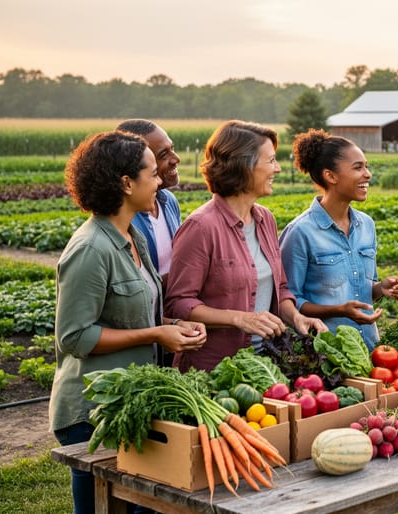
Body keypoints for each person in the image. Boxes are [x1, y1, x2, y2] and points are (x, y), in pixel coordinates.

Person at [49, 131, 206, 514]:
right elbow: (74, 336)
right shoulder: (91, 249)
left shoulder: (131, 235)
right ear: (126, 183)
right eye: (151, 173)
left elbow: (137, 309)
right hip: (92, 410)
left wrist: (172, 324)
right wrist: (155, 333)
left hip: (127, 400)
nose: (159, 181)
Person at [164, 120, 327, 373]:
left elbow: (280, 289)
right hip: (214, 370)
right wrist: (239, 318)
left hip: (265, 363)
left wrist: (297, 318)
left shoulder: (265, 220)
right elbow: (179, 302)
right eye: (271, 160)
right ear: (244, 166)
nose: (278, 169)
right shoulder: (201, 227)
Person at [279, 129, 398, 350]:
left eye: (366, 166)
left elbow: (362, 292)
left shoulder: (366, 225)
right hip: (323, 352)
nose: (368, 174)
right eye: (358, 167)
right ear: (331, 176)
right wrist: (338, 310)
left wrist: (381, 288)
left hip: (367, 348)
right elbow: (288, 302)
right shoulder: (300, 232)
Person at [116, 119, 182, 284]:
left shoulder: (169, 201)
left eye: (172, 149)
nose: (176, 159)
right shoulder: (123, 217)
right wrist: (185, 277)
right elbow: (132, 286)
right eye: (163, 155)